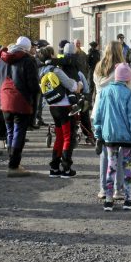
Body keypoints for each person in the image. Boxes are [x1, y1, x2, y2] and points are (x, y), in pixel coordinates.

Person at [94, 63, 131, 211]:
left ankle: (108, 200)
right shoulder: (128, 94)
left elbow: (98, 116)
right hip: (126, 137)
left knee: (111, 166)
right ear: (127, 79)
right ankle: (128, 199)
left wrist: (98, 136)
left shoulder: (104, 92)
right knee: (127, 167)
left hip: (109, 136)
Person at [0, 36, 39, 177]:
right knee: (19, 132)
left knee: (10, 132)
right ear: (27, 48)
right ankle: (13, 165)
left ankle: (12, 162)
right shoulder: (28, 60)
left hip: (5, 100)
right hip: (21, 100)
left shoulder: (2, 59)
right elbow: (33, 84)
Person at [92, 41, 128, 199]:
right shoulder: (123, 69)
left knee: (105, 151)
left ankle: (103, 187)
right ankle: (118, 188)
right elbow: (130, 89)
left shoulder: (98, 67)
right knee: (120, 151)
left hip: (100, 109)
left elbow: (97, 87)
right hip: (118, 110)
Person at [39, 46, 81, 178]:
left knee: (59, 137)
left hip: (53, 106)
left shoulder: (40, 71)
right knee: (68, 137)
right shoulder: (55, 70)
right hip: (65, 106)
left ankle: (54, 167)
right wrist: (78, 84)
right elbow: (72, 86)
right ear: (51, 55)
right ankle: (66, 168)